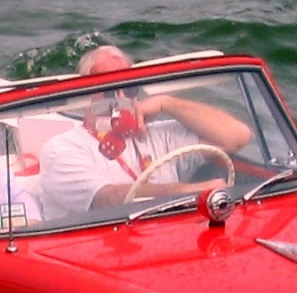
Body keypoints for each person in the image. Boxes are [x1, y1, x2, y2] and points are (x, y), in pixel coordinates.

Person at [36, 47, 254, 221]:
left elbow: (238, 136)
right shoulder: (63, 148)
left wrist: (166, 103)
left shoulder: (159, 135)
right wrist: (190, 193)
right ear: (85, 95)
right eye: (109, 90)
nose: (120, 96)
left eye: (129, 89)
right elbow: (107, 199)